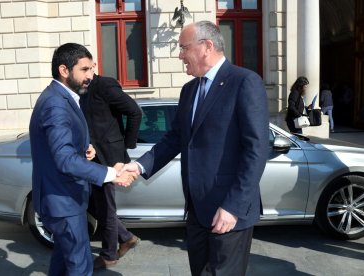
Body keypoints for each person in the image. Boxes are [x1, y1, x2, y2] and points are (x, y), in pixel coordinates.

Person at [122, 21, 269, 276]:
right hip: (197, 210)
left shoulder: (244, 82)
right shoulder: (189, 90)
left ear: (206, 47)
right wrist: (138, 165)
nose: (180, 55)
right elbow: (175, 138)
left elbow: (256, 150)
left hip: (228, 210)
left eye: (183, 48)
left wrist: (233, 206)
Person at [29, 43, 136, 276]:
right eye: (85, 70)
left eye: (92, 69)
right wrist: (111, 173)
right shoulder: (56, 103)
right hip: (63, 203)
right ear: (64, 70)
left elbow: (61, 148)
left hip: (64, 200)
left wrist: (82, 148)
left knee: (62, 262)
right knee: (81, 267)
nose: (91, 75)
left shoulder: (61, 97)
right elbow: (64, 160)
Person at [79, 70, 142, 269]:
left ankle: (108, 255)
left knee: (105, 207)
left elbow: (134, 111)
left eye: (87, 68)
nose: (85, 73)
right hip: (92, 159)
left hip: (110, 158)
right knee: (92, 204)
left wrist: (127, 146)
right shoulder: (82, 91)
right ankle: (126, 237)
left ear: (93, 67)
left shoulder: (104, 85)